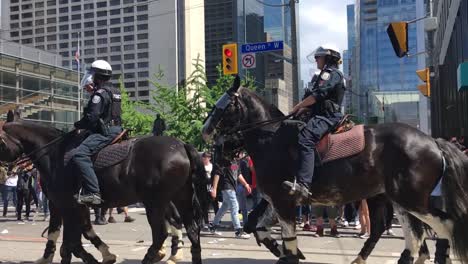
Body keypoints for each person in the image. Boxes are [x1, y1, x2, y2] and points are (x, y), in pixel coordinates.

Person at [283, 46, 345, 201]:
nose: (317, 60)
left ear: (328, 58)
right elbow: (314, 101)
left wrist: (298, 106)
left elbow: (318, 96)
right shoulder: (324, 75)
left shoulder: (332, 74)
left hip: (328, 117)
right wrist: (298, 112)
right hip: (319, 115)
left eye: (319, 57)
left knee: (306, 138)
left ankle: (304, 185)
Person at [71, 60, 122, 205]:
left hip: (105, 132)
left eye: (92, 75)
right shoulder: (115, 91)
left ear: (97, 77)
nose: (91, 77)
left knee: (80, 155)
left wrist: (77, 125)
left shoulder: (99, 95)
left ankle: (93, 193)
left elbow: (92, 118)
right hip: (117, 128)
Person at [209, 157, 251, 239]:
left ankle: (213, 226)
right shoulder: (225, 161)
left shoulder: (234, 162)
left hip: (231, 188)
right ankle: (238, 231)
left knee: (224, 208)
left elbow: (237, 174)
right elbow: (217, 174)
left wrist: (245, 184)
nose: (241, 155)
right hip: (227, 187)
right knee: (235, 207)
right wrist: (214, 189)